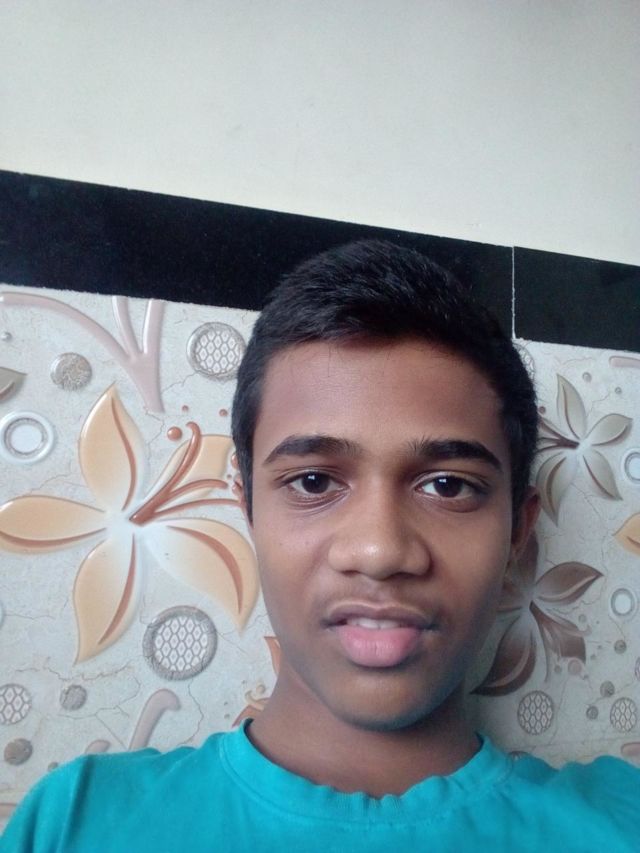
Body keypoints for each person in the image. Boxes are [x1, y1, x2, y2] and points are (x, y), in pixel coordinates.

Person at [2, 240, 637, 852]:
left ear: (518, 533)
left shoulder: (621, 823)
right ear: (248, 508)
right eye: (313, 482)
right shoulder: (76, 822)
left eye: (447, 485)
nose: (379, 551)